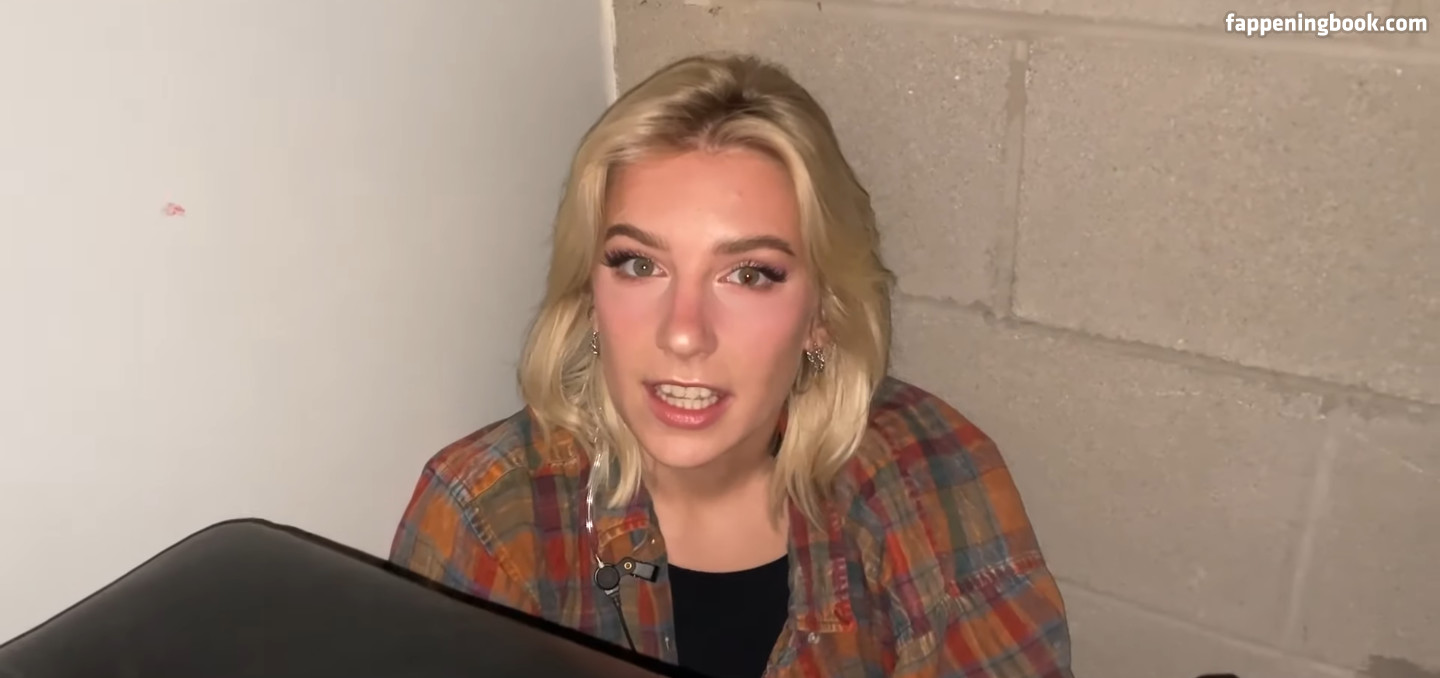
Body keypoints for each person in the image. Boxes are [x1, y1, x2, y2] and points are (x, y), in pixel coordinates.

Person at [388, 52, 1073, 678]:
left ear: (822, 315)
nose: (684, 334)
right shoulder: (491, 515)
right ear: (590, 296)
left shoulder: (930, 476)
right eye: (639, 265)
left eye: (749, 275)